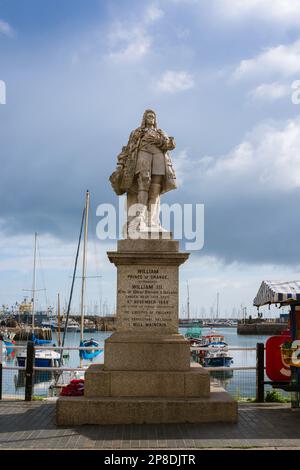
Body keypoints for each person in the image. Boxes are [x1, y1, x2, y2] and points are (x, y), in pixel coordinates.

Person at [110, 109, 177, 232]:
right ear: (144, 119)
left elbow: (170, 145)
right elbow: (128, 148)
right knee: (144, 182)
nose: (151, 118)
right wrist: (120, 165)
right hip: (143, 154)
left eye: (153, 116)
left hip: (158, 157)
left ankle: (152, 221)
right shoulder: (137, 132)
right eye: (148, 116)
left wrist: (159, 141)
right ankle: (139, 216)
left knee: (155, 188)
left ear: (155, 119)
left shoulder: (160, 132)